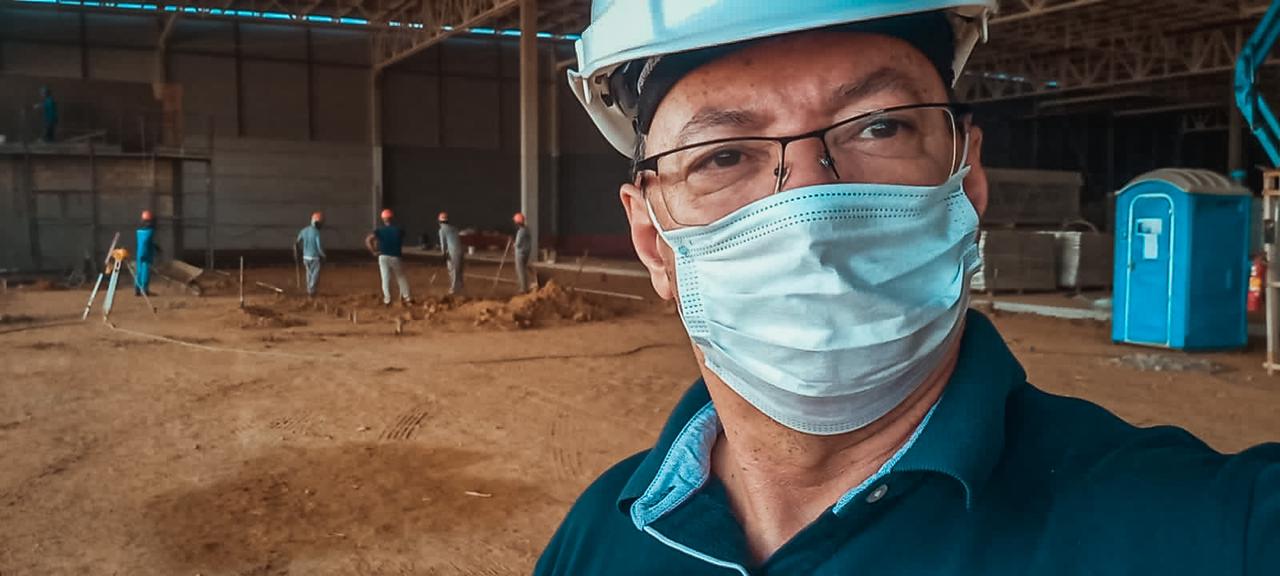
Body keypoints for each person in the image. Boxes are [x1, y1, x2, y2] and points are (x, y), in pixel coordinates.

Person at [535, 2, 1280, 575]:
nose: (810, 214)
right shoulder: (601, 537)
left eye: (879, 127)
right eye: (723, 155)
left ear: (968, 179)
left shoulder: (1197, 529)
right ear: (651, 243)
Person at [365, 208, 412, 306]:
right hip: (395, 257)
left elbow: (368, 240)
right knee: (401, 277)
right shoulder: (399, 230)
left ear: (383, 219)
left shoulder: (379, 231)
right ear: (392, 218)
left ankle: (387, 300)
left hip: (383, 256)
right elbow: (402, 236)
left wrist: (373, 251)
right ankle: (407, 298)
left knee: (385, 278)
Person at [295, 211, 326, 297]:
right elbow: (319, 246)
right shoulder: (316, 232)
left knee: (308, 274)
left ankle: (309, 289)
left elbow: (297, 242)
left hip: (305, 257)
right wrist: (323, 255)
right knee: (315, 275)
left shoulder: (304, 231)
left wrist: (296, 251)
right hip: (314, 258)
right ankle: (311, 291)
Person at [438, 211, 464, 295]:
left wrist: (443, 254)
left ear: (439, 221)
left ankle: (454, 289)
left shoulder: (442, 230)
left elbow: (443, 244)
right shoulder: (454, 228)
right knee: (458, 270)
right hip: (460, 251)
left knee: (453, 271)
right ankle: (460, 287)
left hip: (453, 252)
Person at [134, 210, 158, 297]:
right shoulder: (150, 231)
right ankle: (145, 289)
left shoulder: (139, 231)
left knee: (139, 271)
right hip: (147, 252)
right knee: (145, 270)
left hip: (139, 252)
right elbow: (149, 242)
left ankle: (137, 289)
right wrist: (155, 248)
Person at [512, 212, 533, 293]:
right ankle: (525, 286)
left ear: (517, 223)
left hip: (520, 254)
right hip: (526, 253)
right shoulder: (527, 229)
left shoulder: (520, 232)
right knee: (523, 269)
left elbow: (518, 244)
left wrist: (513, 244)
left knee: (520, 270)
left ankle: (523, 288)